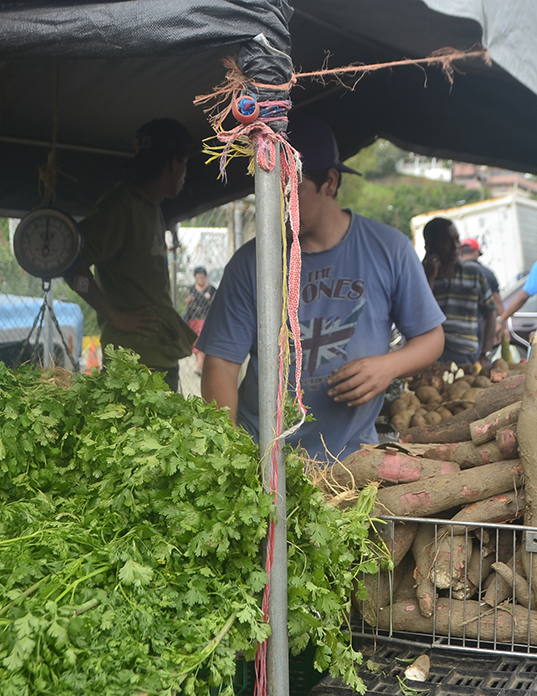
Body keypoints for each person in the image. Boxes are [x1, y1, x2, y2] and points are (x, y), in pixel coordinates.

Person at [198, 115, 445, 462]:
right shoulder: (249, 263)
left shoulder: (389, 248)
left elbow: (431, 338)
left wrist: (387, 367)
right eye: (267, 189)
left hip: (353, 460)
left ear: (329, 182)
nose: (275, 202)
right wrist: (229, 454)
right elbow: (221, 365)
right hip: (268, 461)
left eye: (288, 189)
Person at [63, 118, 197, 391]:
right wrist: (116, 316)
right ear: (172, 164)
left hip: (159, 355)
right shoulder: (120, 206)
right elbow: (70, 263)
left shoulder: (152, 208)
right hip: (135, 363)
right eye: (184, 163)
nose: (185, 172)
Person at [421, 219, 496, 366]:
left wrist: (486, 354)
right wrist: (429, 277)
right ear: (430, 246)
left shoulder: (474, 273)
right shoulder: (419, 275)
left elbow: (491, 313)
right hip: (430, 357)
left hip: (466, 357)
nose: (456, 246)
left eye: (457, 240)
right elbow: (420, 314)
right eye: (447, 241)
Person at [460, 237, 507, 345]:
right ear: (476, 252)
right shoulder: (488, 273)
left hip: (458, 328)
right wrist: (503, 325)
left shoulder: (452, 273)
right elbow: (497, 300)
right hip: (482, 325)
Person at [183, 266, 216, 372]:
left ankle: (200, 365)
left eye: (202, 278)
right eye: (198, 278)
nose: (200, 280)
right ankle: (201, 364)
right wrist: (187, 301)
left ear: (205, 277)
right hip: (193, 318)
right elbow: (187, 302)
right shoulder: (192, 289)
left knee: (202, 338)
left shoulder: (211, 289)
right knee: (195, 341)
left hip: (205, 319)